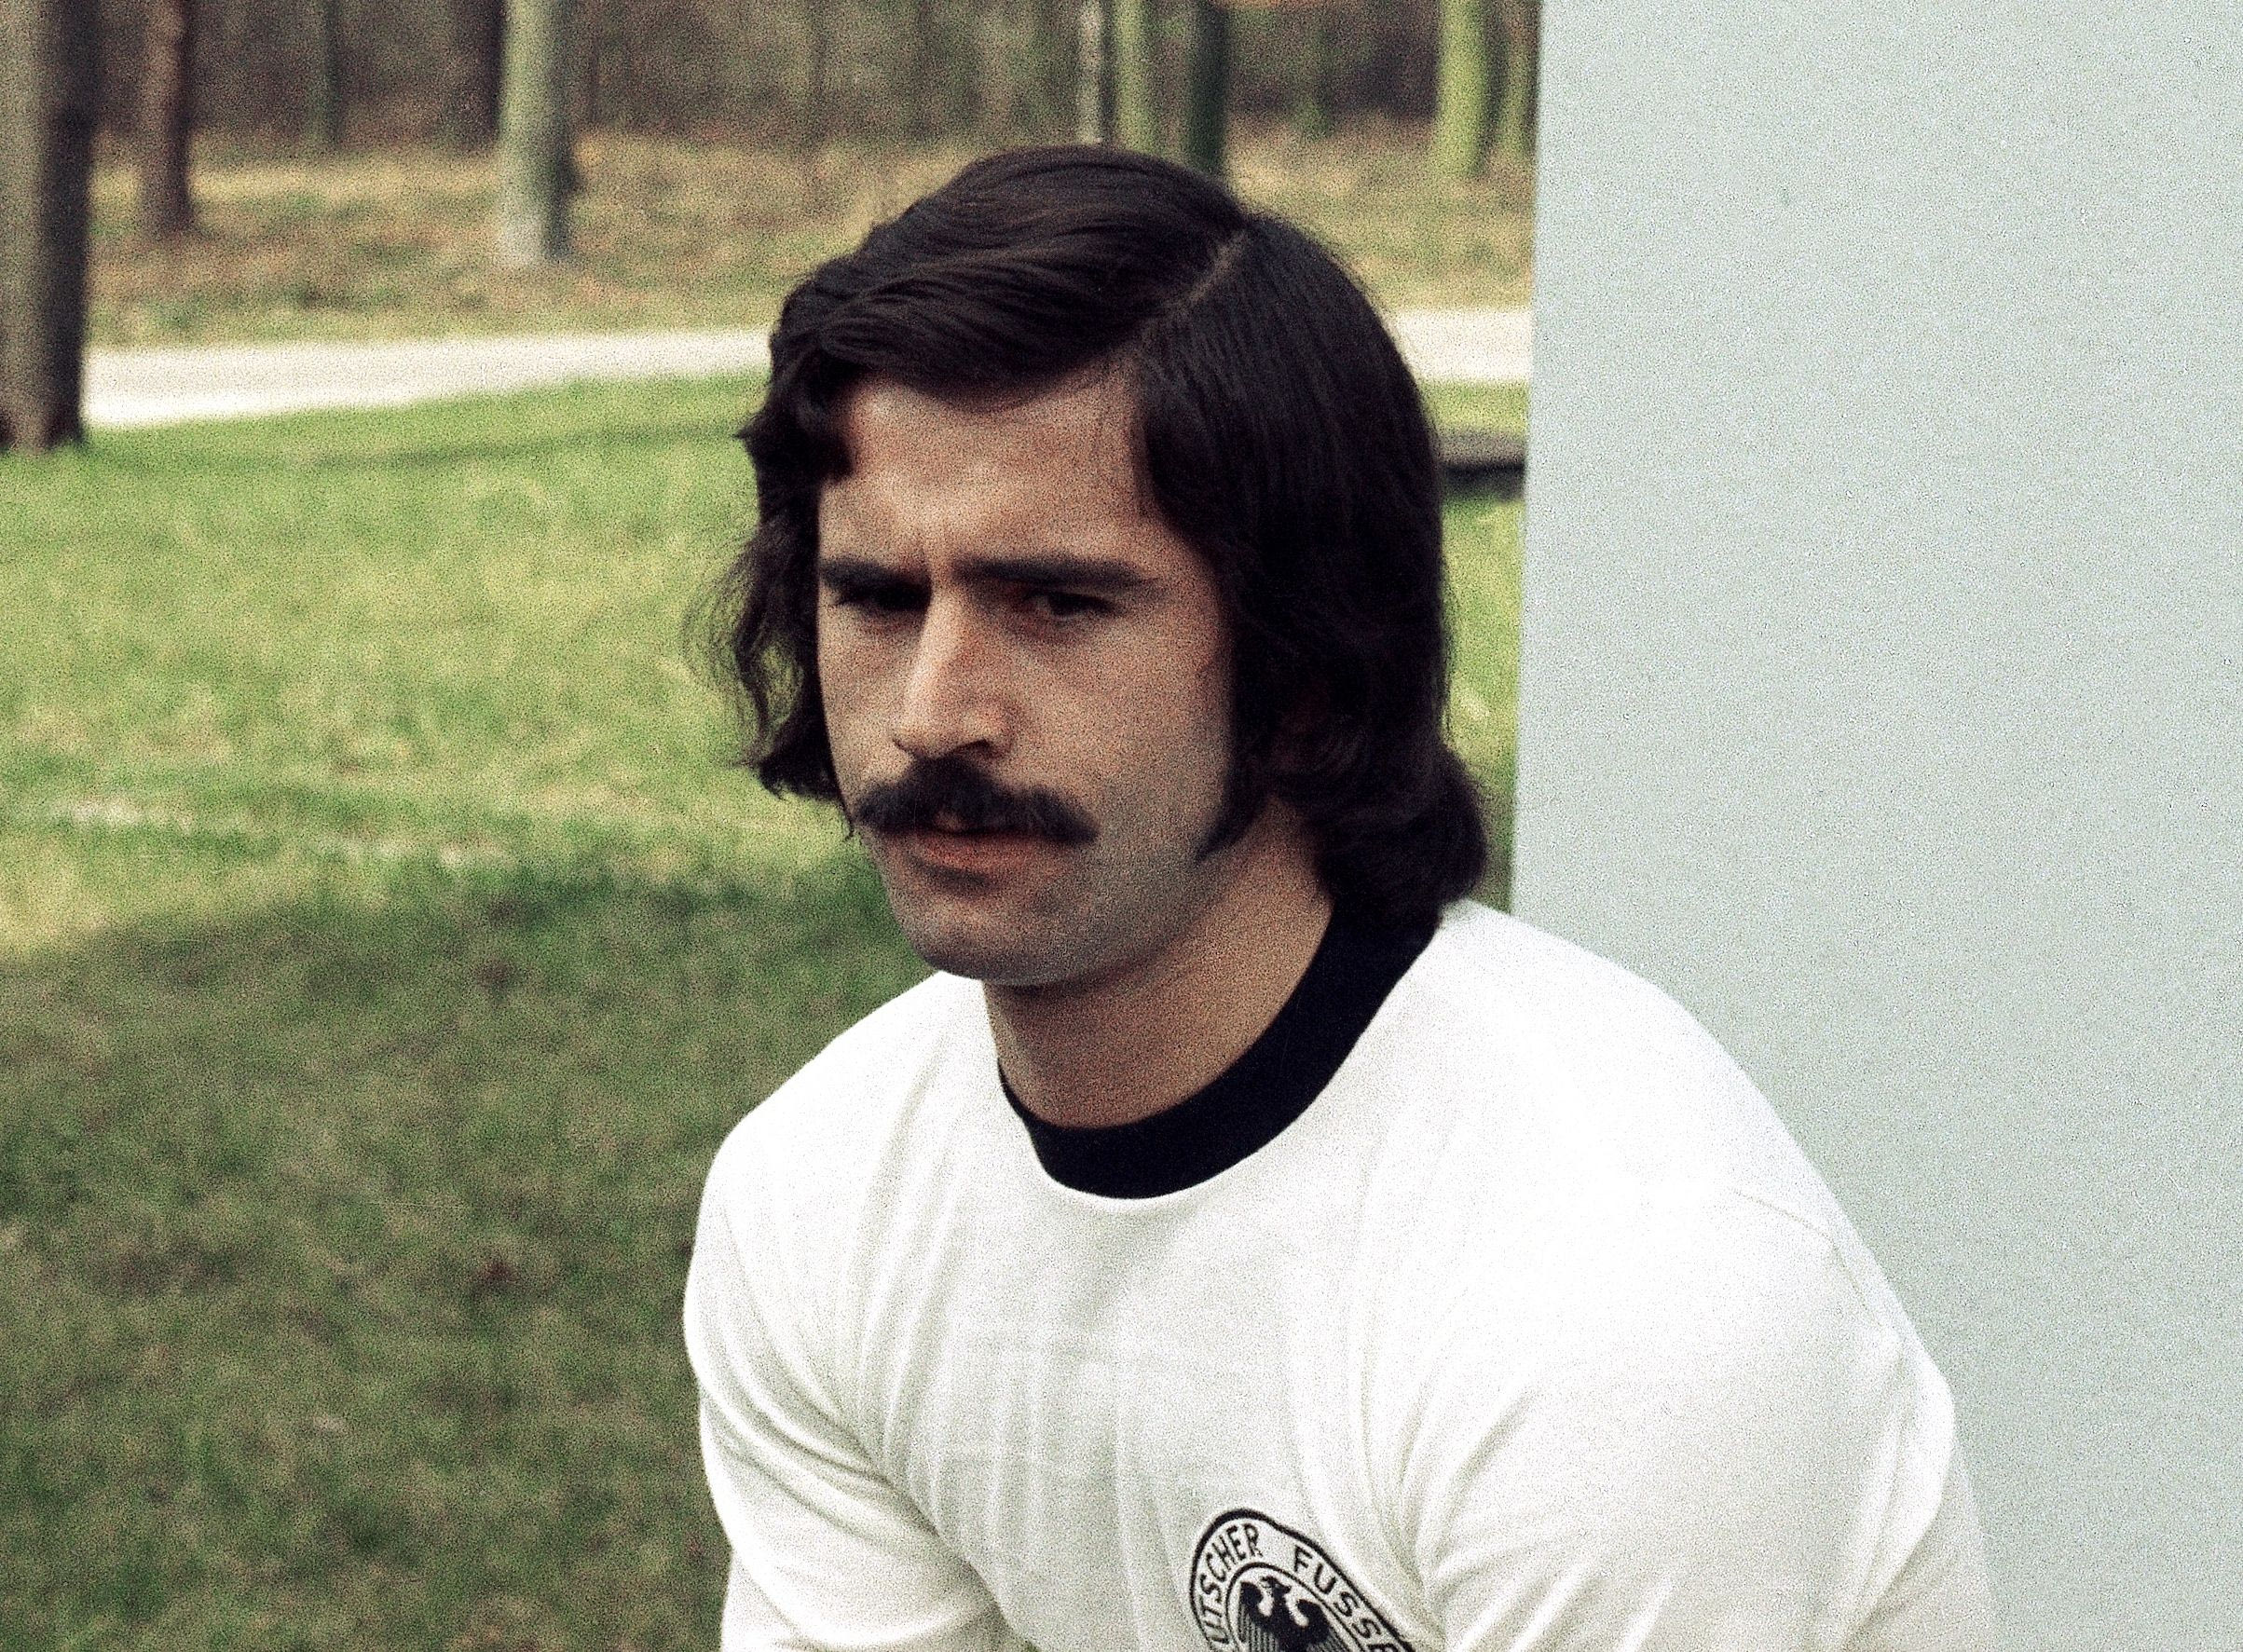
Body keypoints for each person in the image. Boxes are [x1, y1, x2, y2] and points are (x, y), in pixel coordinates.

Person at [685, 145, 1996, 1652]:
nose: (934, 712)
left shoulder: (1621, 1299)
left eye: (1059, 602)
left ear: (1307, 660)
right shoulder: (821, 1197)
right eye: (878, 597)